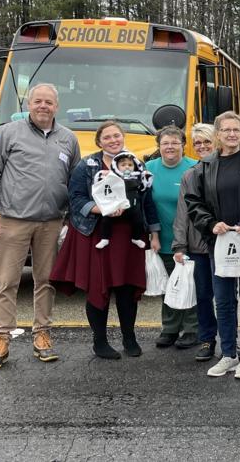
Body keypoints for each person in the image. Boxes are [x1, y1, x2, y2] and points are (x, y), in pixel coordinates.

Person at [0, 83, 81, 371]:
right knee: (7, 281)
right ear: (28, 104)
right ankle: (1, 339)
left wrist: (73, 218)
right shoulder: (9, 133)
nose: (43, 106)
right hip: (14, 221)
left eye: (48, 102)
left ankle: (42, 335)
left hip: (52, 222)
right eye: (38, 101)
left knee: (46, 281)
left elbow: (75, 179)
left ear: (56, 107)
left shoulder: (68, 138)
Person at [50, 121, 161, 359]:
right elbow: (75, 198)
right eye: (107, 137)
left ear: (123, 137)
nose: (113, 140)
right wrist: (100, 209)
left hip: (129, 235)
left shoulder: (136, 163)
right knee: (98, 286)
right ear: (99, 142)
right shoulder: (86, 165)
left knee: (127, 286)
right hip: (98, 233)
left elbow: (147, 201)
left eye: (116, 136)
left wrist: (154, 232)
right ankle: (99, 341)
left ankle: (129, 338)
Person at [185, 111, 240, 380]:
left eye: (236, 129)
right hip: (219, 242)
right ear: (218, 134)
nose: (231, 134)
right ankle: (228, 353)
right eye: (226, 130)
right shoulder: (205, 166)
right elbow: (194, 202)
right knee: (224, 300)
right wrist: (210, 223)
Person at [145, 126, 201, 350]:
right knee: (168, 285)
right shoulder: (149, 168)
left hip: (189, 239)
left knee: (189, 284)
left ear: (183, 145)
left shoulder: (194, 167)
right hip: (161, 238)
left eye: (175, 143)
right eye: (165, 143)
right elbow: (144, 204)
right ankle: (169, 328)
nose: (170, 147)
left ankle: (192, 328)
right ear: (159, 146)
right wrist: (152, 234)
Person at [170, 124, 219, 361]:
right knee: (203, 296)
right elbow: (182, 214)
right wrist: (179, 246)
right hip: (198, 247)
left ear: (217, 141)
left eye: (206, 141)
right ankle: (207, 339)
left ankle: (231, 341)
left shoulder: (228, 170)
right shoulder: (189, 175)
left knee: (227, 298)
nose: (201, 146)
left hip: (224, 245)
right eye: (197, 143)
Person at [96, 151, 153, 249]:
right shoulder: (112, 177)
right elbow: (102, 186)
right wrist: (103, 176)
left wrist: (146, 179)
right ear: (116, 166)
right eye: (123, 165)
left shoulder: (138, 177)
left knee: (139, 221)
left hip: (133, 206)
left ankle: (136, 238)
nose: (127, 167)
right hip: (116, 206)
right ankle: (104, 238)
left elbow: (143, 189)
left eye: (130, 165)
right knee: (106, 219)